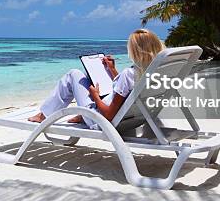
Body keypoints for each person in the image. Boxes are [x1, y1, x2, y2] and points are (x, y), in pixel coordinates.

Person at [28, 29, 165, 128]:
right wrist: (111, 69)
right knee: (88, 78)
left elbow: (108, 115)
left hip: (99, 119)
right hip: (133, 118)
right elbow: (126, 90)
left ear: (135, 51)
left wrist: (95, 97)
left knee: (74, 74)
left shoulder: (129, 74)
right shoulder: (156, 71)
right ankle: (81, 116)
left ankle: (44, 115)